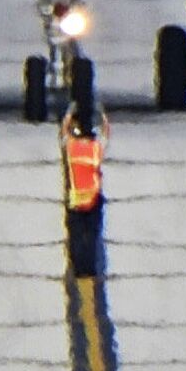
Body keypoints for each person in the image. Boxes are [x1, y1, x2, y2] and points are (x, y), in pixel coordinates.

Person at [60, 98, 109, 277]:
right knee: (92, 236)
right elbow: (106, 135)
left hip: (76, 200)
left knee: (76, 238)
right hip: (93, 200)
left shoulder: (72, 148)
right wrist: (103, 117)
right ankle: (89, 268)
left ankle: (78, 267)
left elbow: (64, 134)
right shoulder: (95, 149)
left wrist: (68, 114)